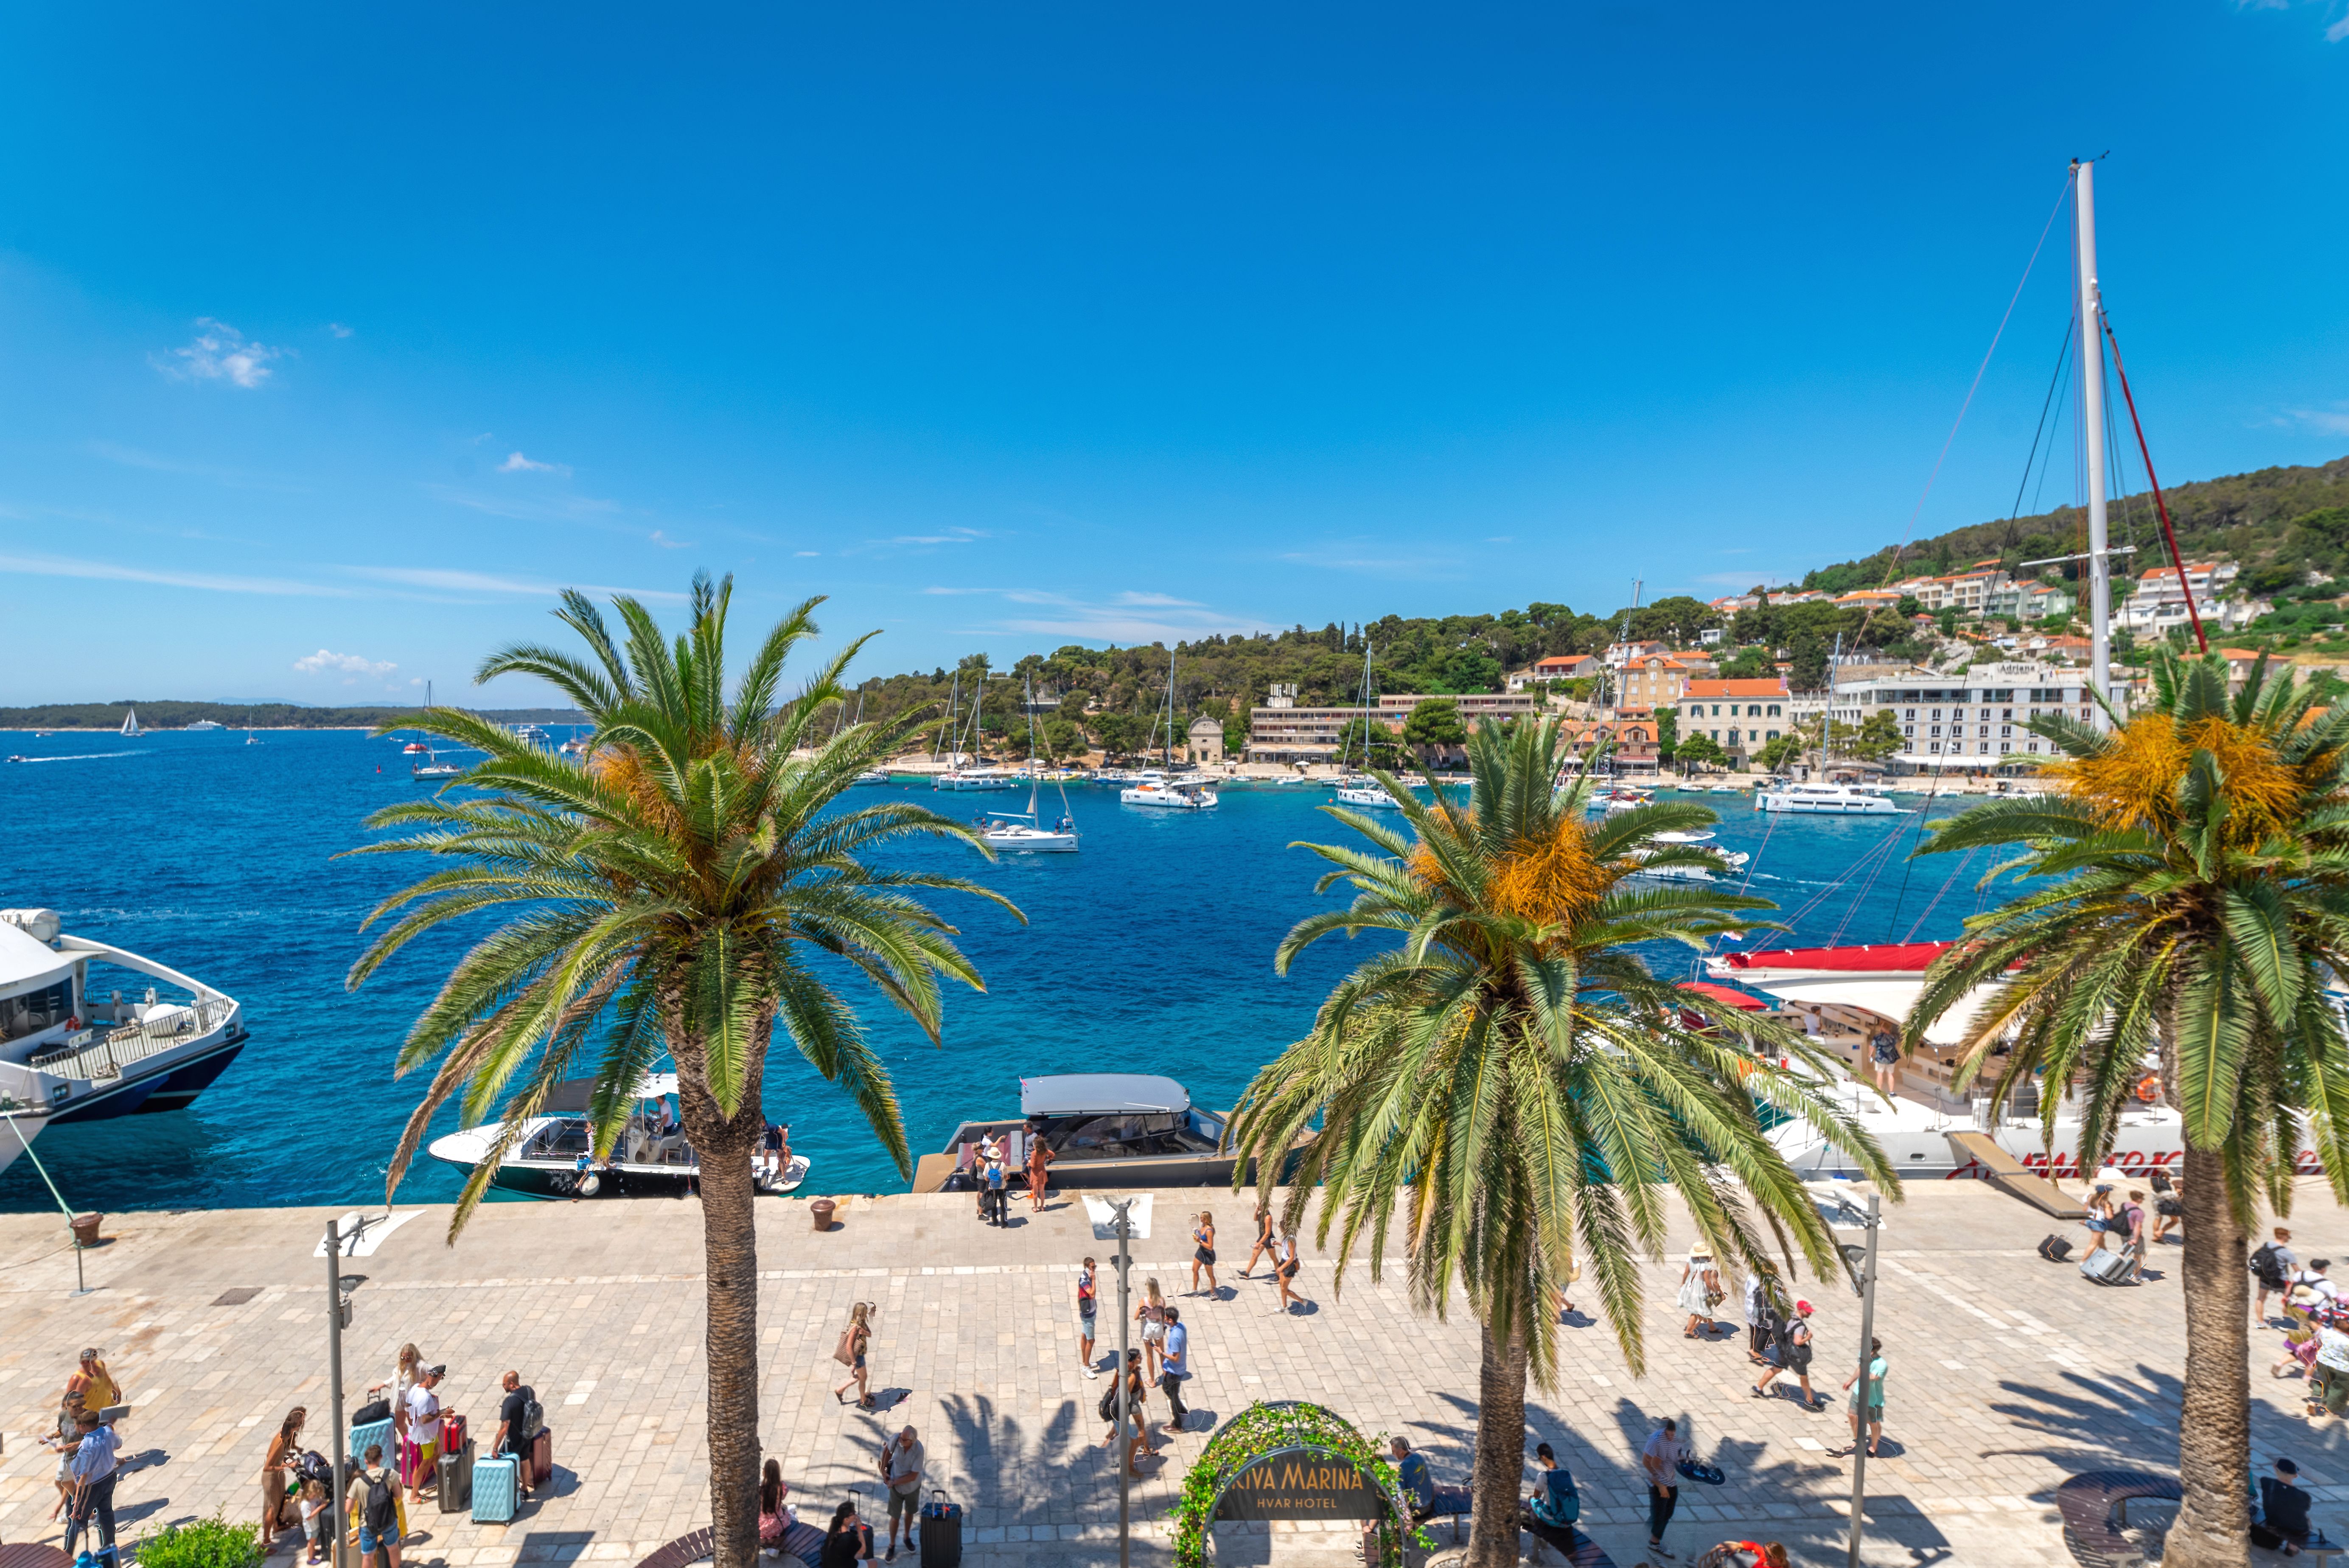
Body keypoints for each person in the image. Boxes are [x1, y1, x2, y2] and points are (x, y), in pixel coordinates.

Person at [64, 1407, 123, 1563]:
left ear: (84, 1426)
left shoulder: (87, 1444)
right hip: (110, 1477)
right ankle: (110, 1546)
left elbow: (79, 1469)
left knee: (78, 1520)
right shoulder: (108, 1433)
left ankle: (68, 1555)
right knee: (106, 1512)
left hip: (93, 1485)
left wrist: (77, 1498)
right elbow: (119, 1445)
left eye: (79, 1426)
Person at [1751, 1299, 1818, 1408]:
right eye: (1808, 1311)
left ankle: (1758, 1388)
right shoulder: (1800, 1326)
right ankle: (1810, 1401)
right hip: (1793, 1354)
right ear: (1800, 1310)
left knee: (1777, 1369)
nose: (1810, 1313)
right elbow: (1798, 1341)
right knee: (1804, 1376)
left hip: (1783, 1349)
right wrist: (1808, 1337)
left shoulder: (1789, 1316)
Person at [1100, 1348, 1158, 1476]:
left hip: (1121, 1411)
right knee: (1136, 1440)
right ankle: (1129, 1468)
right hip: (1127, 1411)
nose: (1141, 1358)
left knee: (1130, 1433)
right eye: (1139, 1357)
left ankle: (1108, 1444)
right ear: (1132, 1361)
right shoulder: (1131, 1377)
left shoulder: (1124, 1372)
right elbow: (1126, 1399)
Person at [261, 1406, 308, 1551]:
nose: (303, 1422)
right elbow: (268, 1466)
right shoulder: (281, 1441)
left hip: (278, 1475)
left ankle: (277, 1526)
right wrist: (286, 1466)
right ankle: (265, 1542)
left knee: (280, 1500)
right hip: (271, 1477)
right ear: (295, 1424)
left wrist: (291, 1458)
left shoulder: (290, 1434)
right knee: (272, 1507)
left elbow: (285, 1454)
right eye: (301, 1421)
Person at [1832, 1338, 1888, 1459]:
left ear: (1874, 1351)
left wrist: (1865, 1365)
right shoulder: (1863, 1354)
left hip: (1873, 1398)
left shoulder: (1882, 1364)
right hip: (1859, 1392)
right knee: (1852, 1416)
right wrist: (1850, 1381)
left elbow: (1873, 1377)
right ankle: (1858, 1440)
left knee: (1873, 1422)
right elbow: (1860, 1368)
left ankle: (1874, 1446)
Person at [349, 1443, 403, 1568]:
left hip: (367, 1523)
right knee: (393, 1549)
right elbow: (398, 1495)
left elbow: (348, 1509)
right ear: (381, 1458)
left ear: (366, 1461)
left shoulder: (358, 1482)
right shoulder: (391, 1474)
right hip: (388, 1519)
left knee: (368, 1556)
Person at [1524, 1441, 1582, 1555]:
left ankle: (1539, 1534)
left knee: (1531, 1500)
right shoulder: (1567, 1474)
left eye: (1540, 1458)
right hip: (1567, 1519)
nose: (1541, 1460)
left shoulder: (1543, 1476)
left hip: (1553, 1519)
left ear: (1544, 1457)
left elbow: (1536, 1497)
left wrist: (1532, 1504)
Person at [1640, 1418, 1687, 1560]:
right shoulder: (1656, 1440)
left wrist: (1686, 1460)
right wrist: (1660, 1485)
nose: (1671, 1437)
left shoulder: (1675, 1439)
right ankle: (1654, 1543)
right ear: (1663, 1430)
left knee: (1667, 1513)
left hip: (1671, 1482)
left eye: (1673, 1434)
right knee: (1662, 1515)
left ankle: (1651, 1526)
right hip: (1659, 1484)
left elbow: (1677, 1454)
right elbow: (1646, 1461)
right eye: (1669, 1435)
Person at [401, 1365, 445, 1510]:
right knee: (426, 1463)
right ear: (436, 1378)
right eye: (439, 1379)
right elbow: (426, 1419)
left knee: (437, 1455)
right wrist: (443, 1412)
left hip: (426, 1433)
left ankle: (442, 1485)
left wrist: (410, 1421)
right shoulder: (426, 1397)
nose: (438, 1382)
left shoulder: (416, 1388)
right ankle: (414, 1495)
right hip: (426, 1435)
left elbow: (407, 1406)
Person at [41, 1390, 88, 1522]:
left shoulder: (85, 1417)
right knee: (60, 1482)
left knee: (76, 1486)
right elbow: (61, 1431)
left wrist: (57, 1507)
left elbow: (92, 1438)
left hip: (79, 1456)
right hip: (67, 1456)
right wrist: (50, 1437)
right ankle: (75, 1506)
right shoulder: (64, 1416)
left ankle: (86, 1513)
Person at [880, 1426, 924, 1561]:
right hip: (896, 1488)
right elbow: (887, 1452)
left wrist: (894, 1482)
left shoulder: (919, 1451)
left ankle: (907, 1537)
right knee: (895, 1517)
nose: (900, 1439)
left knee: (910, 1513)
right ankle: (892, 1545)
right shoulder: (896, 1439)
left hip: (912, 1487)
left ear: (912, 1441)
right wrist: (885, 1471)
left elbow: (913, 1476)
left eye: (903, 1439)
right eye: (900, 1436)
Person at [2254, 1457, 2314, 1554]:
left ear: (2275, 1469)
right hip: (2296, 1528)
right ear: (2295, 1476)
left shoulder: (2266, 1482)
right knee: (2303, 1520)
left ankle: (2290, 1543)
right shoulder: (2305, 1496)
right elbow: (2304, 1510)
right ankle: (2293, 1546)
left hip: (2273, 1520)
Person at [494, 1371, 539, 1498]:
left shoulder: (509, 1402)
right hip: (528, 1434)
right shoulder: (530, 1391)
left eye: (504, 1384)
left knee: (502, 1462)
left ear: (512, 1384)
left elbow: (505, 1427)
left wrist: (495, 1448)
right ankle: (524, 1490)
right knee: (524, 1460)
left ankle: (506, 1493)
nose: (503, 1387)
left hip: (514, 1439)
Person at [834, 1302, 875, 1409]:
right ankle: (864, 1400)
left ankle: (840, 1390)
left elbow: (870, 1334)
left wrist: (864, 1332)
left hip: (860, 1356)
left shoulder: (861, 1324)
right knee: (863, 1378)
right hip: (858, 1357)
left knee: (859, 1377)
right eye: (865, 1312)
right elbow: (849, 1347)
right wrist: (854, 1362)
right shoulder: (855, 1328)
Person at [2254, 1227, 2298, 1326]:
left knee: (2261, 1298)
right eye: (2288, 1237)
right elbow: (2296, 1269)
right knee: (2289, 1299)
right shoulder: (2287, 1253)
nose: (2289, 1239)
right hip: (2281, 1280)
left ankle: (2260, 1322)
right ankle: (2286, 1322)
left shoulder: (2266, 1245)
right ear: (2284, 1237)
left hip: (2265, 1277)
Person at [2310, 1313, 2349, 1420]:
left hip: (2323, 1363)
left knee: (2320, 1384)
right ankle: (2327, 1409)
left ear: (2334, 1324)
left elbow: (2317, 1338)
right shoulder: (2347, 1342)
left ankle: (2313, 1403)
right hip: (2341, 1369)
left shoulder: (2326, 1333)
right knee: (2337, 1389)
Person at [1677, 1247, 1721, 1339]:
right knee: (1696, 1312)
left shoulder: (1690, 1260)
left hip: (1691, 1287)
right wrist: (1716, 1291)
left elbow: (1686, 1273)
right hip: (1700, 1290)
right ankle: (1689, 1331)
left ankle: (1712, 1327)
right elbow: (1708, 1282)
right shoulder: (1705, 1267)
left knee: (1705, 1308)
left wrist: (1683, 1282)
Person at [1159, 1305, 1191, 1432]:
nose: (1164, 1320)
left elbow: (1175, 1358)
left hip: (1174, 1371)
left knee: (1172, 1395)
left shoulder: (1174, 1337)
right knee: (1171, 1392)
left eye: (1165, 1318)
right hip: (1179, 1369)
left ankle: (1177, 1425)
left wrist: (1161, 1353)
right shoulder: (1181, 1326)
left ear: (1170, 1320)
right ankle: (1182, 1411)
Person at [819, 1499, 876, 1568]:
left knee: (859, 1555)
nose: (856, 1515)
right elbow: (863, 1550)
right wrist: (859, 1528)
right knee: (874, 1563)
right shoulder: (849, 1537)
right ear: (846, 1520)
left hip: (831, 1565)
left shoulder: (833, 1532)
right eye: (853, 1513)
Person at [757, 1459, 796, 1557]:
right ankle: (774, 1549)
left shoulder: (761, 1490)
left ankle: (772, 1549)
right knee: (789, 1513)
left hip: (763, 1528)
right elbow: (783, 1496)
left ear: (765, 1472)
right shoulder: (783, 1488)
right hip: (778, 1524)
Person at [66, 1347, 121, 1414]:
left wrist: (117, 1393)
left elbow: (107, 1380)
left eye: (89, 1361)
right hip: (92, 1415)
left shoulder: (100, 1364)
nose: (86, 1364)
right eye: (83, 1362)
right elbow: (68, 1399)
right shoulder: (77, 1377)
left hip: (109, 1408)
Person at [1743, 1268, 1777, 1366]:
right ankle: (1755, 1353)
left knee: (1754, 1330)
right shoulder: (1764, 1281)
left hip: (1752, 1306)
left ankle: (1754, 1351)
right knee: (1761, 1331)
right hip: (1758, 1308)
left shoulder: (1752, 1276)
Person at [1138, 1279, 1168, 1382]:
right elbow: (1164, 1314)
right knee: (1162, 1353)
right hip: (1158, 1327)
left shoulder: (1144, 1301)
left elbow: (1136, 1317)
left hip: (1148, 1328)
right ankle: (1166, 1377)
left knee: (1149, 1355)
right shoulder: (1162, 1300)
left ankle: (1152, 1380)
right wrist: (1163, 1324)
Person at [1077, 1258, 1101, 1378]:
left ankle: (1085, 1362)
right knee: (1091, 1341)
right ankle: (1086, 1367)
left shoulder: (1087, 1277)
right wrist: (1094, 1279)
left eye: (1095, 1267)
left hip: (1089, 1312)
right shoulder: (1084, 1280)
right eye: (1092, 1267)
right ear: (1086, 1267)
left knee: (1084, 1336)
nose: (1094, 1269)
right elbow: (1092, 1293)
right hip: (1088, 1315)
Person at [300, 1478, 331, 1565]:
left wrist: (323, 1502)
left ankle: (313, 1551)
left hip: (315, 1524)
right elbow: (308, 1517)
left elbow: (319, 1501)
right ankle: (310, 1559)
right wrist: (320, 1508)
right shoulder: (305, 1504)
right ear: (308, 1493)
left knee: (314, 1540)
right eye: (314, 1495)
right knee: (312, 1542)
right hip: (311, 1527)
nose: (315, 1497)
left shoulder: (314, 1499)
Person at [1240, 1205, 1275, 1278]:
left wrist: (1259, 1244)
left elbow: (1267, 1234)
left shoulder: (1268, 1217)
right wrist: (1256, 1211)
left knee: (1274, 1258)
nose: (1259, 1206)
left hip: (1269, 1240)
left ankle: (1279, 1275)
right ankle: (1247, 1273)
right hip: (1262, 1238)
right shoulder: (1262, 1214)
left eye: (1261, 1205)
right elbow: (1255, 1219)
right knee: (1254, 1256)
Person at [2150, 1168, 2184, 1244]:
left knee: (2158, 1218)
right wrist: (2177, 1193)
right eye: (2168, 1173)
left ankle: (2156, 1236)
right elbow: (2168, 1195)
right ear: (2164, 1173)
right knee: (2175, 1221)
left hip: (2156, 1201)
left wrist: (2167, 1179)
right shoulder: (2164, 1185)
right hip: (2165, 1204)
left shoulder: (2154, 1179)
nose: (2169, 1175)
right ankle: (2159, 1233)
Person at [1274, 1227, 1304, 1312]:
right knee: (1282, 1285)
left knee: (1284, 1289)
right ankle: (1284, 1306)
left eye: (1280, 1227)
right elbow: (1285, 1247)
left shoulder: (1291, 1240)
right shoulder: (1286, 1237)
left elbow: (1291, 1258)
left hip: (1289, 1265)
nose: (1279, 1229)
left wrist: (1281, 1268)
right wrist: (1278, 1244)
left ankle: (1302, 1301)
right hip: (1284, 1261)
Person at [1190, 1211, 1218, 1297]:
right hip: (1201, 1251)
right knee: (1195, 1270)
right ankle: (1194, 1290)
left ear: (1206, 1220)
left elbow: (1210, 1246)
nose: (1200, 1219)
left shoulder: (1209, 1231)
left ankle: (1214, 1293)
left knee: (1211, 1275)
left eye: (1202, 1218)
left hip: (1208, 1254)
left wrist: (1200, 1241)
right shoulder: (1203, 1226)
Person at [1026, 1128, 1055, 1211]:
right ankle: (1042, 1207)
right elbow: (1052, 1154)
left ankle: (1035, 1208)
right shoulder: (1045, 1150)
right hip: (1043, 1172)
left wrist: (1029, 1162)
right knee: (1042, 1191)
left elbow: (1033, 1166)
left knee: (1035, 1192)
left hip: (1035, 1174)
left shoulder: (1034, 1153)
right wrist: (1046, 1159)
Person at [1868, 1026, 1900, 1094]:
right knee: (1890, 1074)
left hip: (1880, 1058)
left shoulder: (1878, 1037)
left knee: (1880, 1074)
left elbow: (1872, 1046)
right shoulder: (1894, 1037)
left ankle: (1879, 1090)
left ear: (1883, 1028)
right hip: (1891, 1058)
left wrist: (1870, 1054)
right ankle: (1891, 1092)